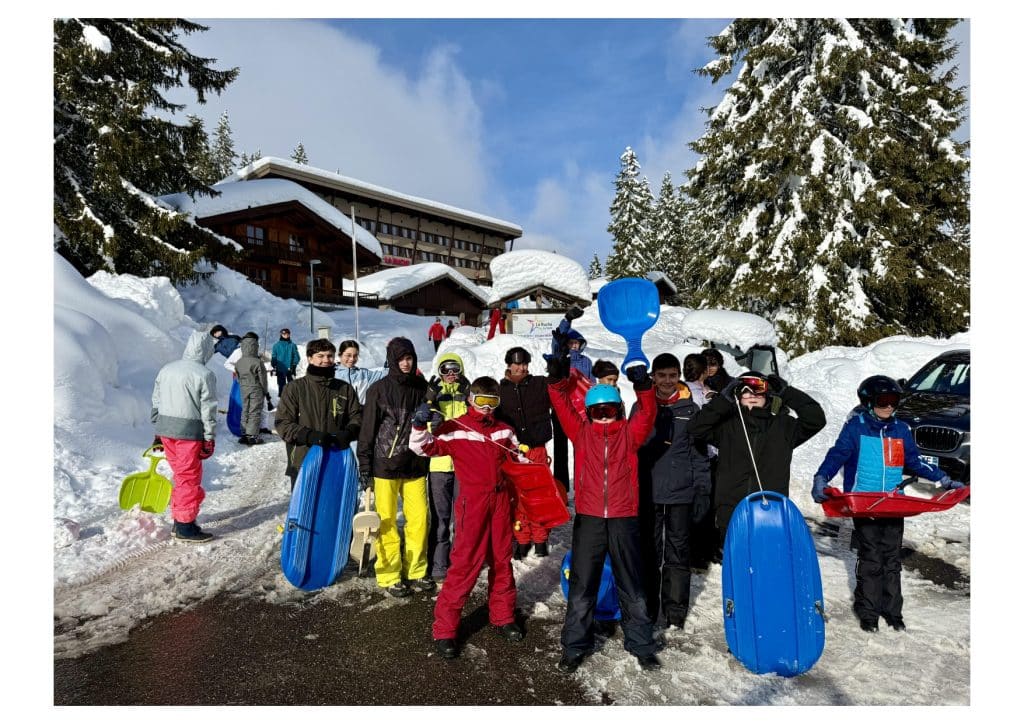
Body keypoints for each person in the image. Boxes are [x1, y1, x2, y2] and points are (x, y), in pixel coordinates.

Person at [811, 375, 963, 633]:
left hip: (893, 503)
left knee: (892, 559)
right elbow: (838, 455)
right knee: (871, 558)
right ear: (869, 402)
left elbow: (914, 461)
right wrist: (821, 477)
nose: (889, 406)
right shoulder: (856, 428)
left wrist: (943, 479)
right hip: (864, 503)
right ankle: (868, 613)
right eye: (883, 401)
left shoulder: (900, 429)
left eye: (894, 401)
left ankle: (893, 612)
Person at [548, 355, 661, 674]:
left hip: (624, 518)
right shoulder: (581, 433)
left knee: (632, 584)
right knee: (583, 584)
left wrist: (644, 386)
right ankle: (574, 646)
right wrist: (556, 379)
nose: (603, 417)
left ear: (619, 411)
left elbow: (648, 412)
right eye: (597, 412)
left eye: (609, 410)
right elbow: (561, 405)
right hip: (590, 520)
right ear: (588, 413)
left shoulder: (630, 434)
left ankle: (641, 645)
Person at [410, 376, 527, 659]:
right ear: (470, 400)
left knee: (501, 560)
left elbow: (519, 459)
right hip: (472, 502)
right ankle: (445, 629)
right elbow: (422, 448)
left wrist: (529, 460)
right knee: (465, 563)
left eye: (492, 402)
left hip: (500, 502)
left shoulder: (504, 430)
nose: (486, 407)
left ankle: (503, 615)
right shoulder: (456, 428)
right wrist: (418, 425)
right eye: (481, 401)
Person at [688, 371, 826, 537]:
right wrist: (723, 400)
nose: (752, 395)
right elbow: (696, 427)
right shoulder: (727, 427)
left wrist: (787, 392)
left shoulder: (784, 426)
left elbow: (815, 419)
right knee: (736, 553)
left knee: (768, 553)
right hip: (731, 511)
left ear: (767, 394)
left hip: (770, 510)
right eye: (745, 390)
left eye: (758, 390)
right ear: (737, 395)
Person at [633, 353, 711, 630]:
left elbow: (699, 454)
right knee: (649, 551)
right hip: (649, 490)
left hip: (681, 491)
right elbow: (631, 449)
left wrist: (702, 489)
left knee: (678, 552)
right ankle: (647, 606)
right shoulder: (641, 406)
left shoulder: (691, 409)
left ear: (679, 376)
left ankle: (675, 610)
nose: (667, 381)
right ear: (653, 377)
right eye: (662, 375)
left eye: (673, 375)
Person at [357, 337, 433, 597]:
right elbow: (367, 430)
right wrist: (365, 466)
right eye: (400, 359)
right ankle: (389, 574)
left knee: (419, 520)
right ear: (392, 360)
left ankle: (416, 569)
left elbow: (432, 422)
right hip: (385, 466)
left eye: (409, 358)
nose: (406, 363)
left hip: (415, 465)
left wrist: (433, 409)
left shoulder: (422, 387)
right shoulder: (378, 390)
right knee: (387, 522)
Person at [151, 330, 218, 542]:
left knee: (181, 475)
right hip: (189, 432)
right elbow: (208, 409)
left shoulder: (167, 369)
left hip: (166, 429)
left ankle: (180, 519)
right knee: (188, 477)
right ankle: (185, 526)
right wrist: (209, 437)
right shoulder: (204, 374)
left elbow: (156, 400)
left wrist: (158, 428)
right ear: (206, 350)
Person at [274, 338, 362, 492]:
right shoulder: (295, 388)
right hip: (304, 458)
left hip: (336, 457)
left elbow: (357, 417)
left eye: (329, 356)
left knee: (332, 503)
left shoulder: (344, 389)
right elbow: (283, 423)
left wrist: (350, 432)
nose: (326, 360)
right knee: (305, 504)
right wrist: (309, 435)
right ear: (310, 358)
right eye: (320, 356)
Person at [495, 346, 555, 559]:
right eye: (517, 364)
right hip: (513, 453)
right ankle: (522, 538)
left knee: (538, 496)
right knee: (517, 497)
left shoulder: (540, 384)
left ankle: (540, 539)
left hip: (536, 450)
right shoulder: (500, 391)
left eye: (525, 364)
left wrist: (558, 366)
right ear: (509, 365)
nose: (522, 368)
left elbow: (560, 385)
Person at [423, 352, 471, 581]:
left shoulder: (466, 393)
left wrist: (469, 396)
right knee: (440, 518)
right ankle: (439, 564)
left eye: (455, 369)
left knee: (462, 517)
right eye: (445, 370)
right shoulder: (434, 394)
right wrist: (429, 401)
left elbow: (474, 423)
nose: (451, 374)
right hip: (439, 465)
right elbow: (424, 426)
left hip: (463, 464)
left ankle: (460, 562)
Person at [235, 332, 270, 445]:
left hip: (243, 388)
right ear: (255, 346)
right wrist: (265, 391)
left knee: (245, 409)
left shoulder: (239, 362)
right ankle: (252, 436)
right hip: (256, 388)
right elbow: (263, 379)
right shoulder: (258, 362)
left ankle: (244, 434)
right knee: (254, 411)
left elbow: (238, 377)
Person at [335, 339, 388, 405]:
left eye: (355, 355)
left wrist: (391, 353)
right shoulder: (332, 374)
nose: (352, 359)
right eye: (348, 355)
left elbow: (387, 373)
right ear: (340, 354)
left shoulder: (364, 375)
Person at [271, 328, 300, 396]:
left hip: (291, 369)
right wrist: (274, 365)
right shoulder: (276, 346)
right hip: (280, 369)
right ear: (281, 335)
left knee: (292, 387)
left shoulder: (292, 345)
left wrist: (294, 366)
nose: (286, 335)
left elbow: (296, 357)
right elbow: (274, 357)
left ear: (289, 334)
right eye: (284, 334)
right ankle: (282, 399)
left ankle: (293, 400)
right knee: (281, 387)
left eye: (287, 334)